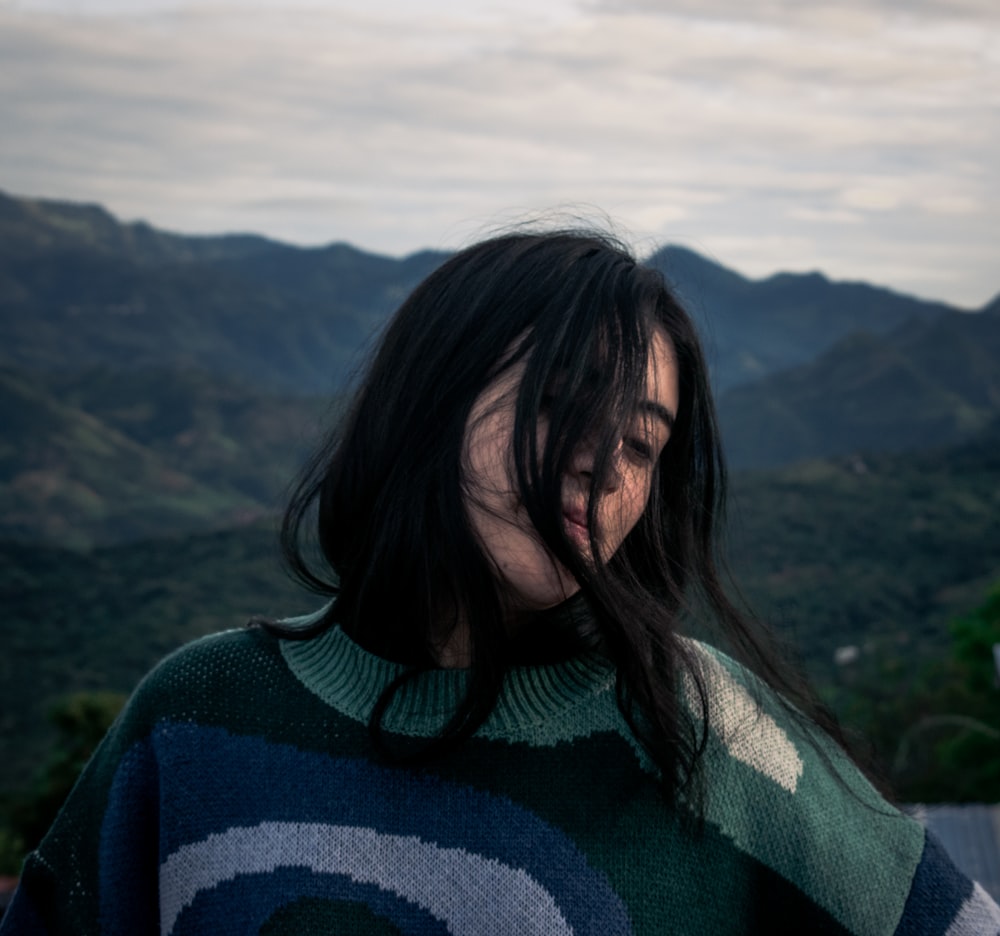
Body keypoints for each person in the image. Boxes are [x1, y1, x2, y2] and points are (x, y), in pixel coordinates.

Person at [3, 230, 998, 935]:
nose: (604, 463)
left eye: (642, 443)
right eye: (562, 401)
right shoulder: (199, 717)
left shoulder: (698, 728)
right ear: (429, 399)